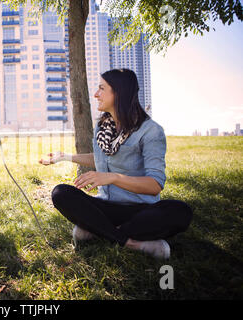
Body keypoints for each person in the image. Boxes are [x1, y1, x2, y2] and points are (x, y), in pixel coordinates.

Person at [39, 68, 192, 259]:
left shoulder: (151, 131)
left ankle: (98, 231)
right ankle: (130, 242)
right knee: (61, 193)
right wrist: (65, 157)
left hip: (140, 211)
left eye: (102, 88)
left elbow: (154, 185)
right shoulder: (103, 128)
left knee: (180, 211)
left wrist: (113, 178)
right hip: (107, 207)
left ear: (119, 93)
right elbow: (101, 159)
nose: (96, 94)